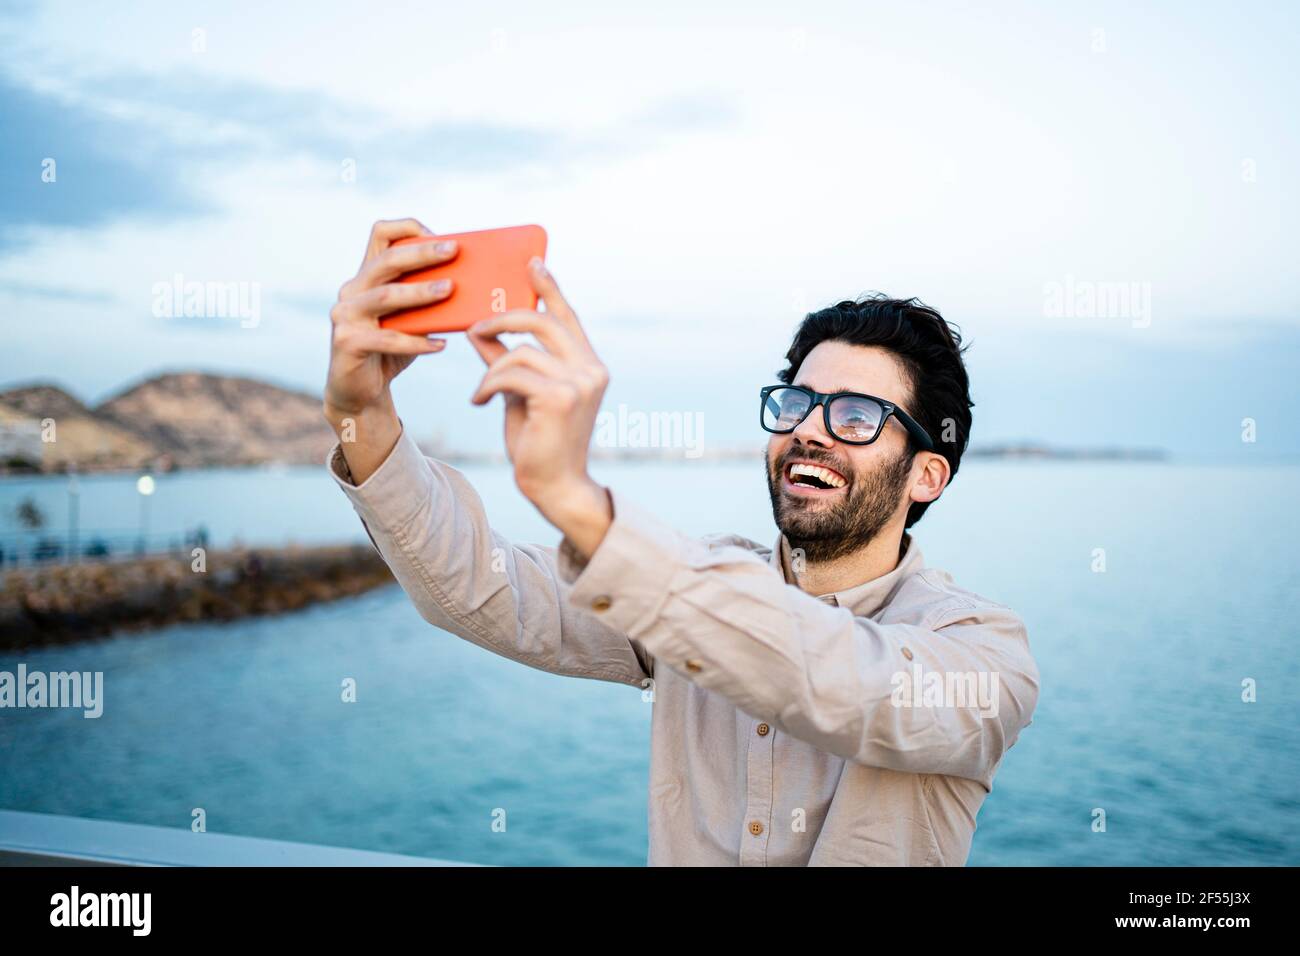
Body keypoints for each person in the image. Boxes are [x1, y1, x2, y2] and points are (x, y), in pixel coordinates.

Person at [322, 218, 1039, 866]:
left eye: (857, 415)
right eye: (798, 404)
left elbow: (846, 682)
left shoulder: (983, 655)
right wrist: (362, 415)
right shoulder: (694, 593)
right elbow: (481, 586)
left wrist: (578, 502)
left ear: (928, 474)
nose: (810, 430)